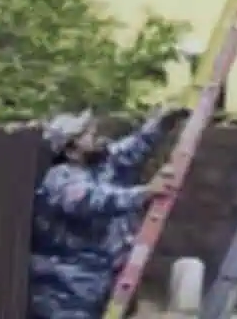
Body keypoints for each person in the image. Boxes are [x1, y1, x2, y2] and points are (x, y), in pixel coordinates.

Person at [29, 107, 185, 319]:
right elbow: (93, 200)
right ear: (71, 149)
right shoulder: (60, 179)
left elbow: (131, 150)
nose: (94, 134)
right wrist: (145, 193)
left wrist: (162, 124)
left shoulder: (96, 165)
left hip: (94, 286)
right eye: (86, 134)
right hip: (65, 293)